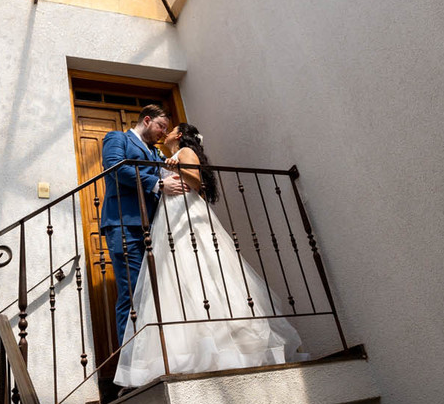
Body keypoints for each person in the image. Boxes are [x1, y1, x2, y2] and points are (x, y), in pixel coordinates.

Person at [113, 123, 304, 389]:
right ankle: (187, 349)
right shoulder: (168, 155)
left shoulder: (185, 152)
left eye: (171, 129)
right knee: (177, 278)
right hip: (168, 216)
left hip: (185, 215)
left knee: (201, 268)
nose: (166, 133)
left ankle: (222, 345)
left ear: (179, 136)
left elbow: (196, 182)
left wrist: (175, 166)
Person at [99, 105, 190, 351]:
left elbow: (166, 170)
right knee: (131, 295)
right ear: (147, 120)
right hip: (124, 223)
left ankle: (152, 356)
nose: (163, 133)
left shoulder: (155, 152)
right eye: (161, 126)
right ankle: (129, 368)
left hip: (153, 227)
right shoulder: (117, 138)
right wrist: (158, 184)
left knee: (151, 293)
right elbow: (116, 167)